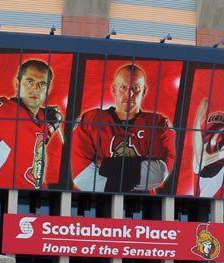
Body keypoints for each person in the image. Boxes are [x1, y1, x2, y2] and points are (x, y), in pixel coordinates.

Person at [71, 64, 175, 193]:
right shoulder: (91, 121)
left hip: (143, 206)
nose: (129, 94)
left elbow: (160, 173)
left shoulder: (157, 124)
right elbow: (81, 177)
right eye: (123, 87)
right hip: (100, 205)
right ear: (114, 89)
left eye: (135, 88)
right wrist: (139, 168)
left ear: (144, 91)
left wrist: (104, 164)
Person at [0, 59, 62, 189]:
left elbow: (36, 137)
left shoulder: (43, 118)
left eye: (42, 84)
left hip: (28, 200)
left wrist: (55, 120)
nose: (35, 89)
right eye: (30, 81)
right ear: (17, 84)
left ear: (48, 89)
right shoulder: (2, 112)